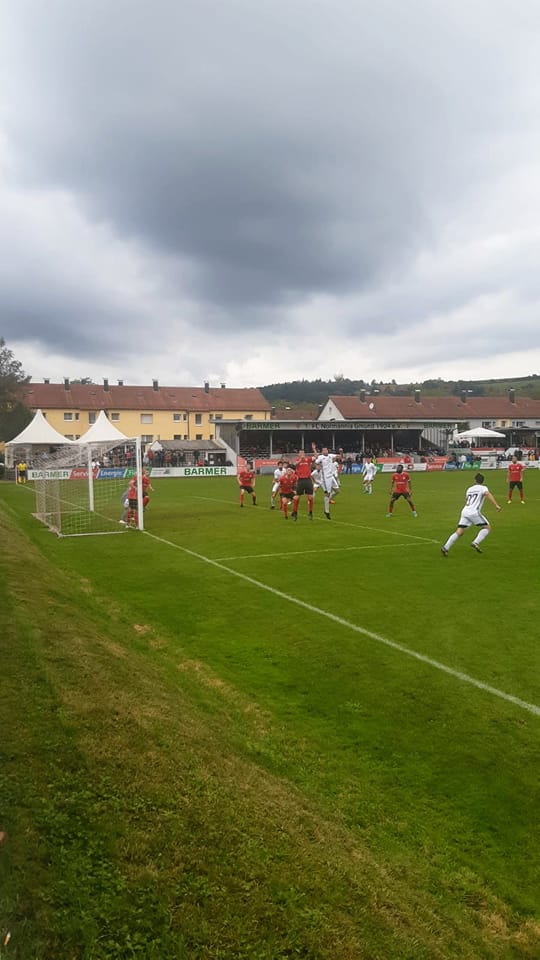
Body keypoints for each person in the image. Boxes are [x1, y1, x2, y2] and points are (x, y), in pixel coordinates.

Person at [441, 472, 501, 556]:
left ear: (475, 480)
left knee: (460, 531)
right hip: (474, 512)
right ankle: (476, 542)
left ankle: (445, 547)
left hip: (465, 511)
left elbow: (467, 500)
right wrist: (496, 505)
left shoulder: (469, 489)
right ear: (482, 481)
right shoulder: (483, 488)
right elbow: (487, 494)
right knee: (487, 528)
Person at [314, 446, 340, 519]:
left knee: (337, 491)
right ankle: (326, 511)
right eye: (324, 450)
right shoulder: (321, 457)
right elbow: (316, 463)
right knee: (327, 493)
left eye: (326, 450)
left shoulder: (330, 455)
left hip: (331, 476)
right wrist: (318, 466)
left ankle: (329, 499)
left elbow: (340, 456)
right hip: (325, 478)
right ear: (322, 452)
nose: (325, 451)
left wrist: (341, 452)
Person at [290, 448, 315, 520]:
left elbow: (315, 457)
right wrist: (301, 460)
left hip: (308, 480)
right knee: (297, 497)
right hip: (300, 480)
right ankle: (295, 512)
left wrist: (314, 449)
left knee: (310, 497)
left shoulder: (308, 459)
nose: (302, 454)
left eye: (303, 453)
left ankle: (310, 512)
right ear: (298, 454)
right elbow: (294, 465)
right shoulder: (297, 460)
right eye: (300, 453)